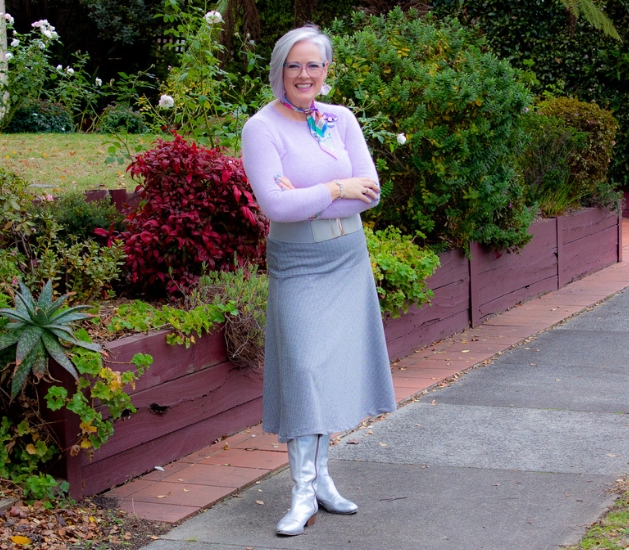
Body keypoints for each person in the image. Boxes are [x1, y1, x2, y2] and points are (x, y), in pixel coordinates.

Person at [241, 25, 397, 536]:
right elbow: (275, 206)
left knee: (329, 373)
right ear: (279, 70)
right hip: (299, 262)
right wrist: (335, 187)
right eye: (294, 65)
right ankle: (302, 492)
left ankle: (323, 480)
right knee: (305, 369)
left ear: (326, 71)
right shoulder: (261, 128)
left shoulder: (341, 119)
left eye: (314, 64)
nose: (304, 74)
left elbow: (371, 192)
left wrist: (308, 195)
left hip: (348, 256)